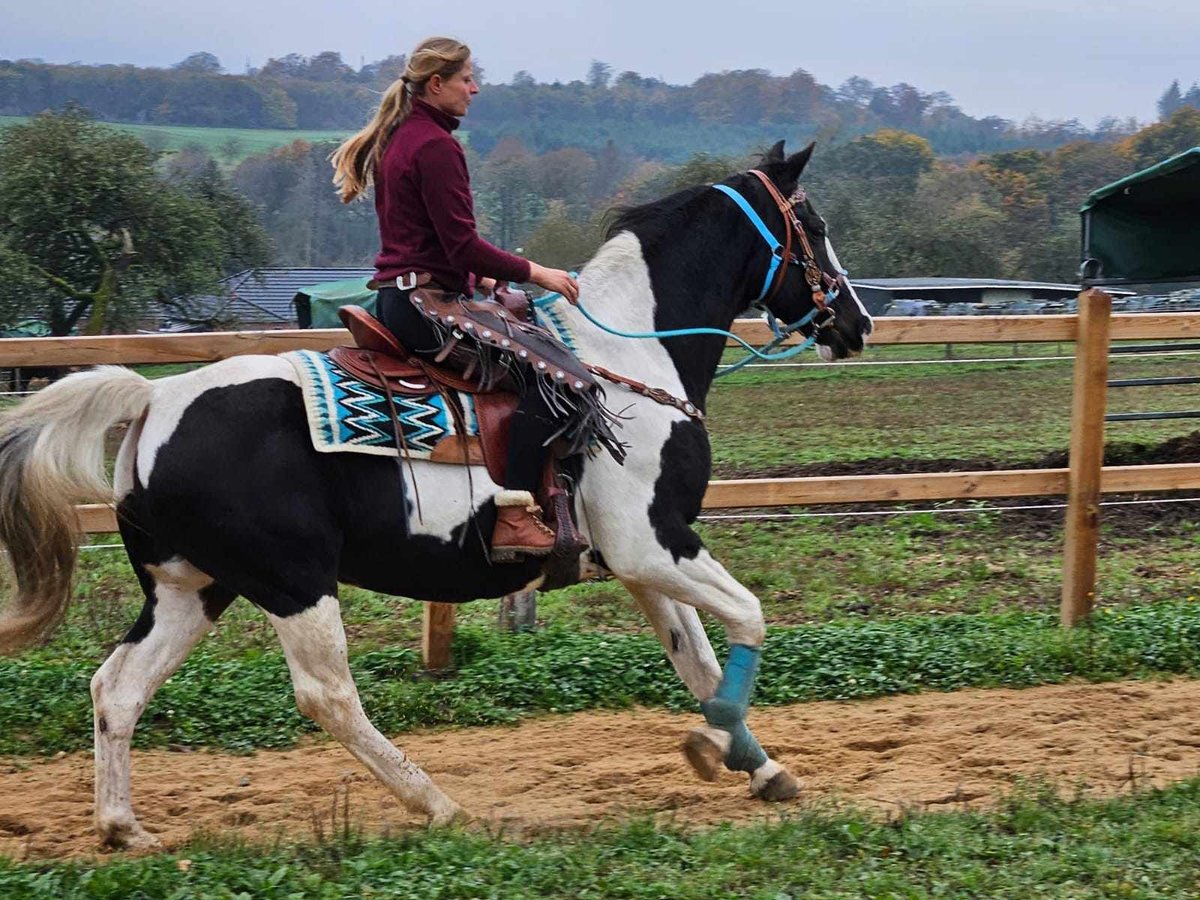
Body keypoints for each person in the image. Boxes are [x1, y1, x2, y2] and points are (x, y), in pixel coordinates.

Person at [331, 36, 582, 562]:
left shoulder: (400, 136)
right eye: (467, 78)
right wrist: (540, 272)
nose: (476, 88)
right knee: (554, 372)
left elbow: (430, 240)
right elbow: (462, 243)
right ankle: (513, 515)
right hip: (426, 307)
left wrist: (479, 278)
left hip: (402, 297)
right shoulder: (436, 145)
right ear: (437, 84)